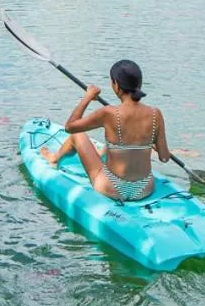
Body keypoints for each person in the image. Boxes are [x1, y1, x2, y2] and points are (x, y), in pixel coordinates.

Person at [41, 59, 171, 202]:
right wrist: (152, 144)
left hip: (112, 187)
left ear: (115, 85)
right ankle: (100, 153)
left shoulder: (108, 113)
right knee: (115, 144)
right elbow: (164, 158)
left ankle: (54, 158)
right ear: (139, 84)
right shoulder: (155, 114)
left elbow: (70, 127)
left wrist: (88, 98)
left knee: (77, 135)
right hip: (144, 189)